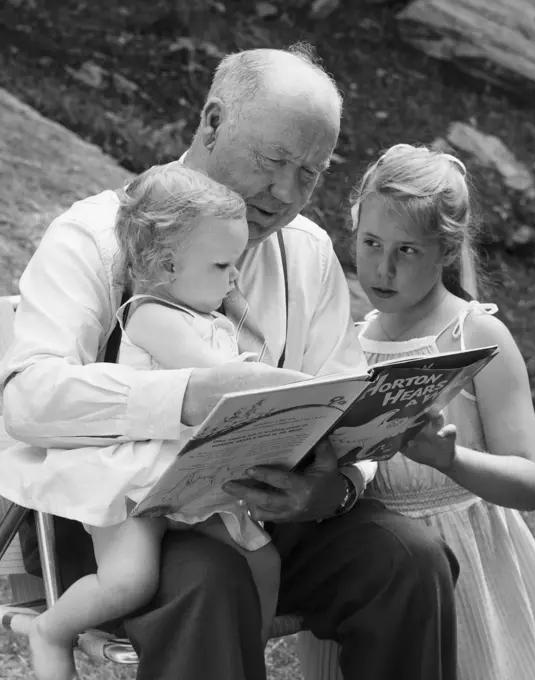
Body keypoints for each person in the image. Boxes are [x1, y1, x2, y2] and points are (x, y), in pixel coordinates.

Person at [0, 47, 459, 680]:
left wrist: (335, 485)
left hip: (269, 511)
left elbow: (343, 394)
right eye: (274, 161)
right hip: (122, 519)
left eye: (311, 173)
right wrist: (192, 394)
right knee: (209, 577)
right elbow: (27, 399)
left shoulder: (308, 252)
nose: (286, 193)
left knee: (409, 558)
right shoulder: (98, 235)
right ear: (212, 122)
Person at [1, 162, 308, 680]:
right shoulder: (151, 315)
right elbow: (220, 380)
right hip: (134, 481)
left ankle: (243, 654)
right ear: (166, 265)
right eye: (222, 265)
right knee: (131, 579)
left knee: (264, 559)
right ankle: (52, 631)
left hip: (186, 477)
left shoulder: (206, 315)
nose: (235, 276)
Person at [298, 143, 535, 680]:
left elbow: (532, 483)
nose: (382, 266)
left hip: (468, 567)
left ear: (445, 251)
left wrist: (453, 460)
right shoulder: (349, 341)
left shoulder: (476, 336)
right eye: (371, 243)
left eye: (407, 251)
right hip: (370, 566)